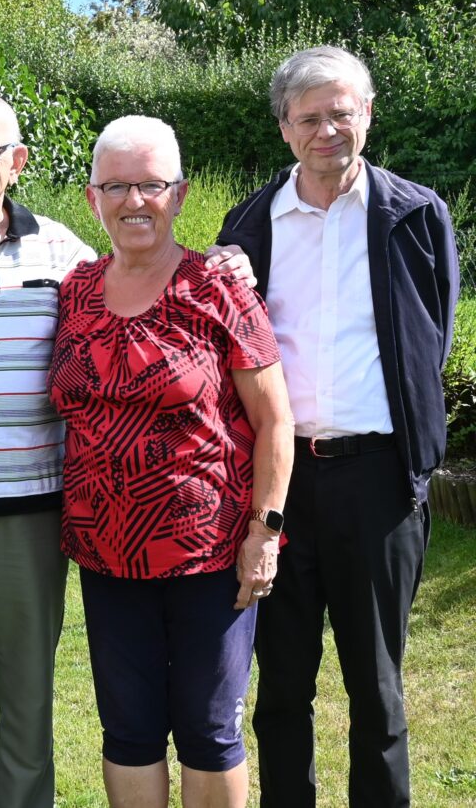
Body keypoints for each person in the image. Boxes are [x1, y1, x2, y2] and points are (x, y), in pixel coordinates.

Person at [0, 92, 255, 808]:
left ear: (18, 161)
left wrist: (226, 263)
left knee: (28, 703)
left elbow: (139, 276)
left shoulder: (64, 253)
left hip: (34, 513)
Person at [217, 46, 459, 807]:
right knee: (282, 686)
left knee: (377, 688)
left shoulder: (416, 214)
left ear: (368, 115)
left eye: (341, 113)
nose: (327, 130)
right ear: (285, 128)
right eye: (309, 117)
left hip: (378, 482)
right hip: (279, 483)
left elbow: (432, 334)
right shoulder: (248, 224)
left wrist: (416, 451)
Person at [49, 115, 294, 808]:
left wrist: (264, 533)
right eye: (116, 186)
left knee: (210, 731)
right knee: (128, 730)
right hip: (105, 552)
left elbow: (275, 419)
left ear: (179, 195)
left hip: (210, 556)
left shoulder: (219, 289)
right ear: (93, 197)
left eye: (151, 185)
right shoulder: (74, 292)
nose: (134, 201)